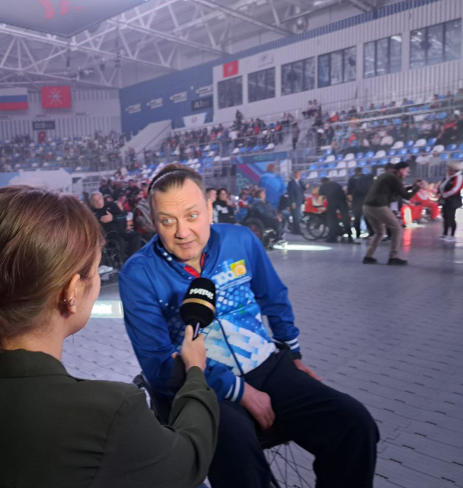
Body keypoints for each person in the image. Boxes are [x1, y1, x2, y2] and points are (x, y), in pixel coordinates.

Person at [0, 186, 219, 488]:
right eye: (95, 270)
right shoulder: (108, 415)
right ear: (71, 291)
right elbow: (189, 459)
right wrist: (195, 373)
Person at [119, 164, 378, 488]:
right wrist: (238, 391)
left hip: (266, 365)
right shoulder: (138, 274)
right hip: (200, 385)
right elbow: (159, 365)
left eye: (192, 215)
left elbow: (274, 297)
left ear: (209, 208)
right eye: (167, 221)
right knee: (239, 457)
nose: (182, 232)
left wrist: (293, 353)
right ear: (153, 220)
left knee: (355, 424)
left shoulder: (240, 239)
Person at [363, 162, 422, 265]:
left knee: (379, 232)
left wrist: (412, 187)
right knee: (397, 229)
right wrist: (417, 188)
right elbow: (406, 196)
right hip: (378, 206)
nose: (407, 173)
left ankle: (368, 256)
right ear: (401, 170)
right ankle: (393, 257)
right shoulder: (393, 178)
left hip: (367, 206)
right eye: (406, 171)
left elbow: (397, 191)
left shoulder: (387, 176)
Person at [89, 192, 140, 264]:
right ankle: (122, 263)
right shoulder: (90, 213)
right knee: (119, 241)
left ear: (103, 198)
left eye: (100, 199)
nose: (98, 202)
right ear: (91, 203)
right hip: (107, 237)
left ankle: (133, 259)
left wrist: (113, 218)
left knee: (136, 235)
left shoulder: (111, 205)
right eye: (95, 200)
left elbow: (123, 217)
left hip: (121, 232)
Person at [319, 177, 353, 243]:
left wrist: (319, 206)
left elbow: (320, 198)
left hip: (332, 203)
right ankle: (350, 237)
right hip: (342, 202)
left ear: (322, 182)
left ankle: (332, 236)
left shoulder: (323, 186)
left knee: (331, 220)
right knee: (345, 220)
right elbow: (343, 192)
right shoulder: (336, 184)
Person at [437, 161, 463, 242]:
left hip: (453, 201)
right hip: (445, 200)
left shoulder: (459, 177)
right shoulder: (447, 177)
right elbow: (441, 186)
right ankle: (445, 233)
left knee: (451, 218)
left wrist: (444, 194)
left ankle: (452, 235)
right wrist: (439, 192)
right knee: (445, 217)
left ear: (453, 169)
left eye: (448, 168)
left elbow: (455, 189)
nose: (447, 170)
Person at [347, 168, 374, 240]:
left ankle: (358, 234)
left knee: (357, 218)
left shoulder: (352, 179)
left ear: (355, 171)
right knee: (367, 217)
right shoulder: (366, 177)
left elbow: (349, 192)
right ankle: (371, 233)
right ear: (361, 171)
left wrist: (350, 201)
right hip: (366, 200)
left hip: (356, 201)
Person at [287, 170, 305, 235]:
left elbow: (303, 189)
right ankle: (297, 231)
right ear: (294, 174)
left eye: (300, 174)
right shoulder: (291, 183)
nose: (299, 175)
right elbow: (291, 193)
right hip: (295, 202)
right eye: (298, 174)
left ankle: (294, 230)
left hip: (299, 201)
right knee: (296, 217)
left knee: (297, 216)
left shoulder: (300, 182)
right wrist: (293, 202)